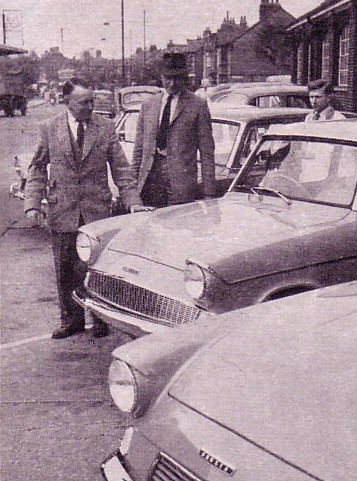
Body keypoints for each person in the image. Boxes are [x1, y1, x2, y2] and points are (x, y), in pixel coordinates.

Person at [24, 77, 137, 339]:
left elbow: (121, 169)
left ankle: (100, 319)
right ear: (67, 102)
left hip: (96, 212)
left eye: (92, 101)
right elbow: (37, 168)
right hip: (62, 209)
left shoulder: (106, 127)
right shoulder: (49, 128)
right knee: (65, 269)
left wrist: (134, 202)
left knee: (96, 268)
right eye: (83, 102)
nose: (90, 106)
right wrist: (33, 205)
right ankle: (71, 320)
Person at [130, 52, 216, 211]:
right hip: (149, 182)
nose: (172, 83)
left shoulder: (198, 105)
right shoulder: (148, 104)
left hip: (180, 186)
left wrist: (209, 194)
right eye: (168, 78)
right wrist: (132, 190)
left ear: (185, 78)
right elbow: (139, 150)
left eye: (177, 78)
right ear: (161, 77)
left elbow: (207, 153)